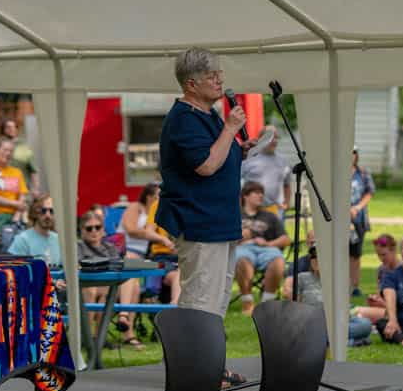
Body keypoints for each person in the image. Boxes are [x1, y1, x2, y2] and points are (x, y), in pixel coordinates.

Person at [157, 48, 251, 326]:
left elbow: (216, 156)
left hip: (218, 223)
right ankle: (194, 367)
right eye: (212, 77)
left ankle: (211, 367)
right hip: (200, 223)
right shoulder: (185, 118)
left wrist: (239, 150)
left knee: (217, 301)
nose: (220, 82)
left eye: (220, 75)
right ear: (191, 84)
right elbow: (206, 165)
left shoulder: (208, 115)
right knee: (200, 302)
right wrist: (231, 130)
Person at [77, 209, 145, 349]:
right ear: (81, 230)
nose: (94, 231)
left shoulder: (110, 247)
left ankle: (125, 324)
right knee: (95, 291)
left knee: (133, 284)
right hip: (86, 287)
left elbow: (118, 268)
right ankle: (91, 337)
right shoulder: (78, 247)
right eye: (89, 228)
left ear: (103, 229)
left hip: (107, 286)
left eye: (98, 227)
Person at [282, 246, 374, 346]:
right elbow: (294, 303)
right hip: (313, 322)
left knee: (365, 324)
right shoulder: (302, 278)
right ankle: (351, 342)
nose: (316, 260)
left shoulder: (340, 279)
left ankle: (332, 341)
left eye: (320, 257)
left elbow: (343, 307)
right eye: (313, 257)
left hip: (336, 323)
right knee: (308, 331)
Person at [234, 181, 290, 315]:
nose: (260, 196)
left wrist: (268, 244)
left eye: (262, 194)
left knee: (278, 261)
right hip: (243, 248)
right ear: (245, 196)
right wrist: (242, 237)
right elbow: (224, 238)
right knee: (241, 260)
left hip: (266, 249)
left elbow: (286, 239)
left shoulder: (269, 216)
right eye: (256, 193)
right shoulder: (235, 215)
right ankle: (247, 302)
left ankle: (267, 303)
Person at [240, 125, 291, 217]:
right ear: (262, 139)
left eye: (276, 137)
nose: (274, 141)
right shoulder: (248, 159)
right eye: (271, 137)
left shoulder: (283, 162)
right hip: (252, 212)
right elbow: (237, 184)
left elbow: (287, 185)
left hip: (276, 212)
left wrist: (286, 203)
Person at [0, 119, 40, 195]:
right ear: (3, 130)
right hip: (0, 189)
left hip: (21, 190)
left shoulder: (24, 146)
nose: (12, 129)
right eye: (8, 127)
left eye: (15, 127)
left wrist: (36, 189)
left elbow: (33, 170)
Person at [355, 233, 401, 323]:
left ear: (394, 251)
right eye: (378, 255)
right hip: (385, 310)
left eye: (384, 254)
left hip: (398, 314)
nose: (381, 258)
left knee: (357, 312)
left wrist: (382, 304)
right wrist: (375, 299)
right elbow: (380, 294)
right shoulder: (381, 269)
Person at [349, 146, 375, 297]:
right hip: (342, 220)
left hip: (358, 219)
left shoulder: (363, 173)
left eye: (353, 152)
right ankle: (344, 284)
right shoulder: (337, 173)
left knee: (356, 254)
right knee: (343, 253)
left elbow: (369, 192)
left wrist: (357, 208)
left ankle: (355, 285)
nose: (351, 155)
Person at [119, 183, 172, 258]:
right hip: (128, 249)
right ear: (149, 197)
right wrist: (159, 237)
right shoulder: (135, 207)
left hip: (146, 253)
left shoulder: (157, 212)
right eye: (159, 195)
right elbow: (131, 230)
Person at [8, 194, 62, 266]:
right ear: (35, 212)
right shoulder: (22, 239)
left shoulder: (59, 240)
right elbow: (17, 272)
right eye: (43, 210)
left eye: (52, 211)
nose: (48, 215)